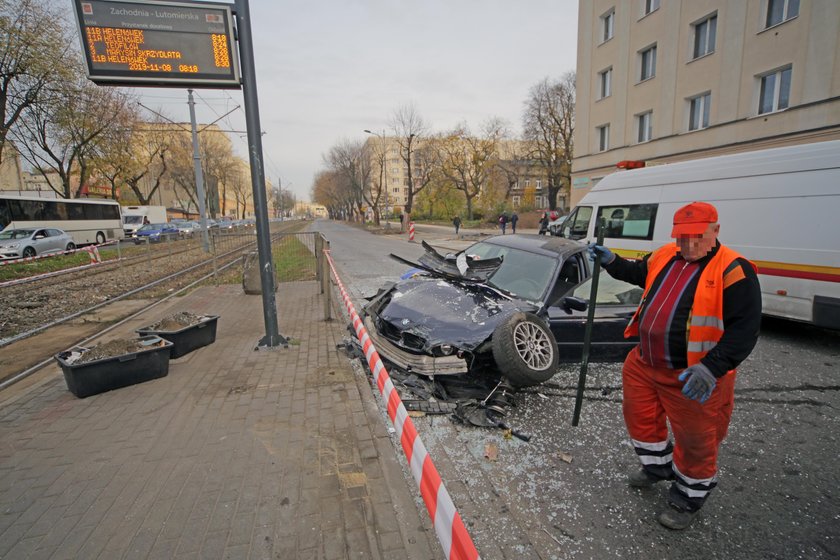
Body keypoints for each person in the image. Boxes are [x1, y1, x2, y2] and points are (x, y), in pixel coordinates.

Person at [589, 201, 761, 530]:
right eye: (682, 238)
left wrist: (712, 367)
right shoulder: (667, 254)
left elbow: (745, 330)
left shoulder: (734, 270)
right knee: (640, 420)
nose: (688, 245)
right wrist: (612, 262)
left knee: (696, 440)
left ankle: (688, 496)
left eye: (697, 237)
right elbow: (640, 274)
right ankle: (657, 467)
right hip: (645, 364)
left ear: (715, 231)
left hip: (693, 376)